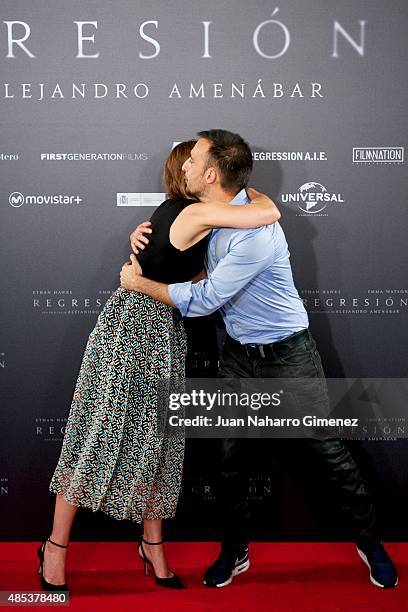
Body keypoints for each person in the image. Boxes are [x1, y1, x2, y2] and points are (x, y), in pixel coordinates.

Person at [121, 129, 399, 590]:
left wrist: (139, 284)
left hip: (287, 354)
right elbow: (181, 248)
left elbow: (206, 297)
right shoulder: (214, 210)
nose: (183, 165)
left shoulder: (257, 235)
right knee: (230, 460)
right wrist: (147, 246)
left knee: (328, 454)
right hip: (237, 355)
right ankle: (235, 550)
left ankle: (370, 543)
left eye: (193, 160)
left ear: (211, 175)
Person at [38, 139, 281, 593]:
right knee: (96, 438)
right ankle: (54, 548)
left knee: (160, 446)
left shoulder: (179, 214)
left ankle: (153, 547)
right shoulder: (191, 213)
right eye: (187, 161)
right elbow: (265, 211)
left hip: (164, 330)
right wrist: (255, 193)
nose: (189, 167)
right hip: (130, 330)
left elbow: (190, 273)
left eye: (196, 161)